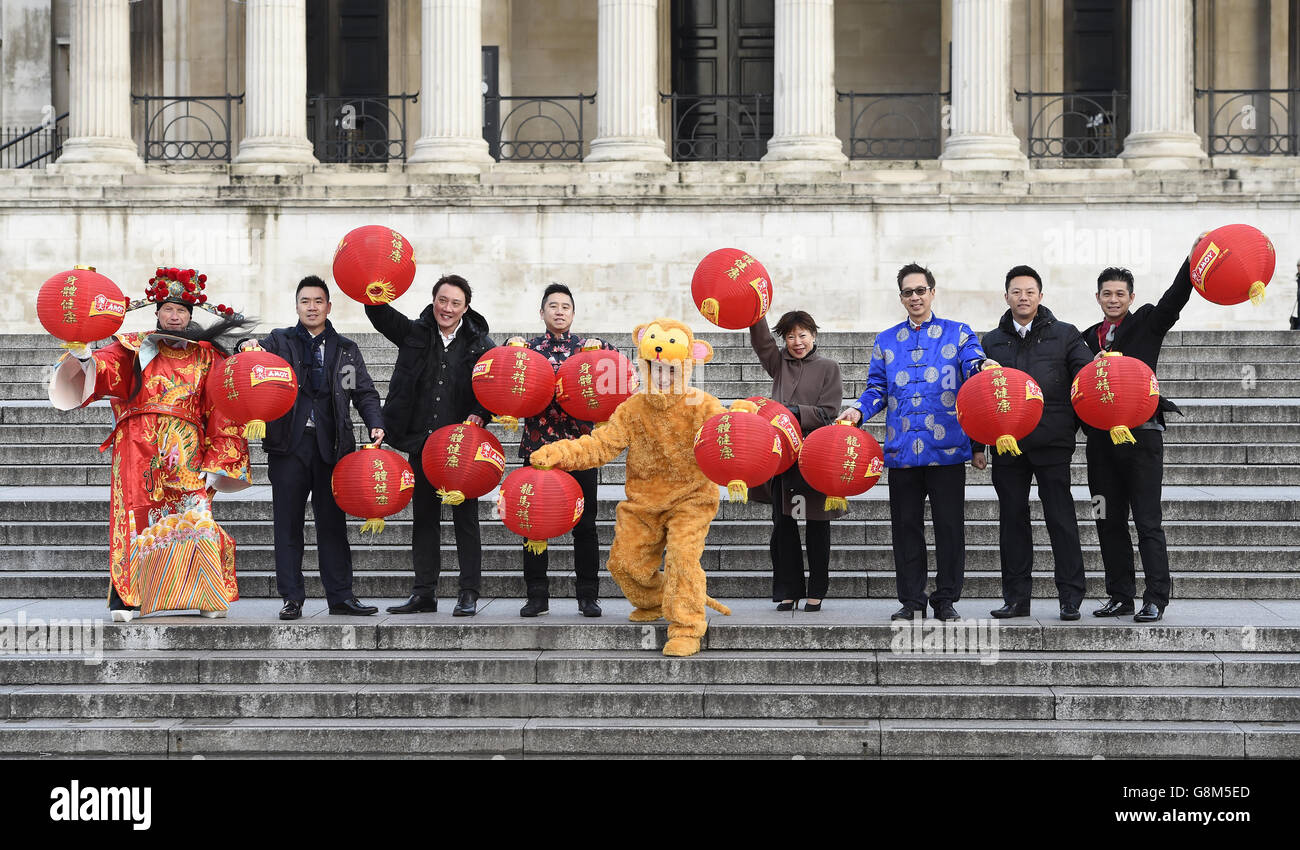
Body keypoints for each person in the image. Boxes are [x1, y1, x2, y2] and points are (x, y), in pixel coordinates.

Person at [49, 267, 251, 621]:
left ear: (190, 315)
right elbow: (106, 367)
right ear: (157, 312)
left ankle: (207, 594)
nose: (174, 316)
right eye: (168, 309)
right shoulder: (132, 346)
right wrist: (84, 357)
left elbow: (221, 409)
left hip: (186, 450)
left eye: (181, 310)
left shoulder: (208, 356)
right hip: (136, 446)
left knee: (193, 516)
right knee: (134, 515)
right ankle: (129, 599)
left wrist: (217, 462)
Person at [840, 263, 992, 622]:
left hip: (947, 450)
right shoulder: (886, 341)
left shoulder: (958, 333)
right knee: (906, 530)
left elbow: (973, 366)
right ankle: (911, 600)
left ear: (932, 292)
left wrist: (984, 368)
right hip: (902, 452)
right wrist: (858, 411)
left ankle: (946, 599)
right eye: (908, 292)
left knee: (949, 529)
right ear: (901, 298)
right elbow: (877, 388)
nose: (915, 297)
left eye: (920, 290)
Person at [239, 276, 386, 620]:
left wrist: (375, 422)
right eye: (305, 301)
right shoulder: (280, 341)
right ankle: (292, 597)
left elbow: (362, 391)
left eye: (318, 301)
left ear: (328, 307)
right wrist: (246, 345)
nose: (312, 307)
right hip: (289, 446)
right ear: (297, 306)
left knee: (332, 525)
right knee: (287, 524)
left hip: (332, 447)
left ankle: (341, 596)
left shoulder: (346, 350)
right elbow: (251, 352)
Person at [365, 274, 494, 616]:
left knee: (466, 521)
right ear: (433, 300)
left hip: (461, 449)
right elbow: (380, 315)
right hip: (422, 445)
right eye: (442, 300)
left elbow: (494, 387)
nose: (447, 308)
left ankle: (469, 592)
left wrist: (481, 413)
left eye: (455, 303)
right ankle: (424, 592)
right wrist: (372, 290)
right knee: (424, 519)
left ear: (466, 307)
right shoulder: (415, 332)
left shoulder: (481, 344)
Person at [1080, 249, 1195, 623]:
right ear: (1097, 297)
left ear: (1131, 297)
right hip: (1100, 444)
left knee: (1147, 521)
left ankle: (1156, 597)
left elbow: (1174, 300)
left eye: (1120, 294)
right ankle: (1120, 596)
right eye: (1107, 294)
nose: (1113, 300)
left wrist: (1192, 260)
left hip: (1142, 438)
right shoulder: (1085, 340)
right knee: (1106, 519)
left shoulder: (1146, 322)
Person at [973, 265, 1093, 621]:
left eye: (1029, 292)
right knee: (1012, 520)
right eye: (1016, 292)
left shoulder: (1066, 334)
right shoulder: (991, 342)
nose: (1023, 298)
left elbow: (1084, 377)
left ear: (1040, 296)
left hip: (1052, 441)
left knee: (1061, 519)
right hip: (1007, 445)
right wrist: (977, 445)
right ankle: (1015, 598)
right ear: (1006, 296)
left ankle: (1070, 597)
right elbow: (978, 395)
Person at [505, 283, 613, 618]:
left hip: (581, 449)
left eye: (566, 306)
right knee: (532, 523)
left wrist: (603, 349)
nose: (560, 311)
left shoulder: (588, 348)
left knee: (586, 524)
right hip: (538, 449)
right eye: (553, 306)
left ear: (573, 313)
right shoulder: (528, 350)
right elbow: (501, 372)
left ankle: (588, 596)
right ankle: (537, 596)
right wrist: (508, 347)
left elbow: (620, 371)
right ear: (542, 312)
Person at [748, 309, 843, 612]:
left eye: (802, 335)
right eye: (790, 336)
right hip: (782, 456)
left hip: (815, 454)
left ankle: (817, 590)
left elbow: (829, 412)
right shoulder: (779, 363)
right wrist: (754, 309)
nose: (797, 342)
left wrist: (794, 412)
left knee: (818, 525)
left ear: (813, 335)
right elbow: (762, 342)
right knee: (783, 526)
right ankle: (789, 590)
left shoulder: (829, 367)